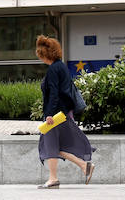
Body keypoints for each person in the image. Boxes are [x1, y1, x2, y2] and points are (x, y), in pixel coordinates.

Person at [35, 35, 95, 189]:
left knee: (51, 145)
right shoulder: (60, 66)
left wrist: (49, 114)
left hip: (56, 115)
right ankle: (84, 166)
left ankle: (54, 179)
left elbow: (54, 93)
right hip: (62, 113)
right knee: (56, 147)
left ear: (44, 55)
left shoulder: (54, 69)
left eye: (40, 55)